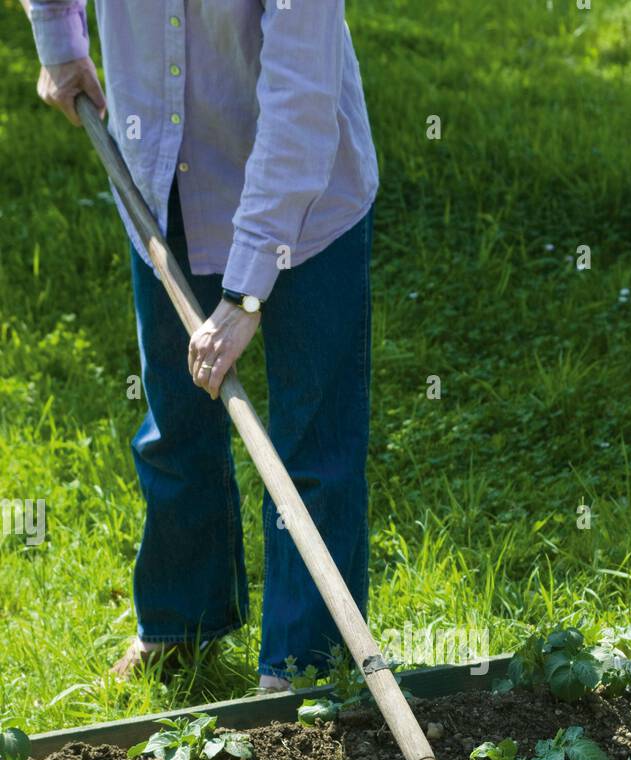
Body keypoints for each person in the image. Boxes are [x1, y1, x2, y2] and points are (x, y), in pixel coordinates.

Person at [23, 1, 378, 689]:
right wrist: (59, 39)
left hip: (307, 202)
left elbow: (303, 95)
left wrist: (246, 293)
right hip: (162, 177)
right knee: (177, 420)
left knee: (316, 442)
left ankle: (300, 668)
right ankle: (182, 622)